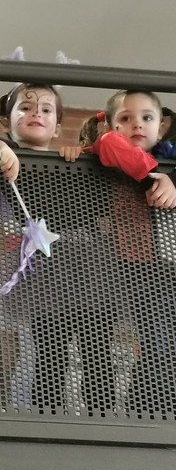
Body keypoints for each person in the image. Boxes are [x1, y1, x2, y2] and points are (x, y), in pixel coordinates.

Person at [0, 80, 118, 415]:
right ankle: (46, 418)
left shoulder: (74, 162)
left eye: (46, 110)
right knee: (49, 349)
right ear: (7, 122)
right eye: (25, 108)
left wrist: (77, 154)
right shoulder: (6, 156)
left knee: (97, 347)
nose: (35, 114)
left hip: (89, 267)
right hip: (46, 271)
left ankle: (105, 417)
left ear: (57, 128)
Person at [71, 90, 176, 417]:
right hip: (114, 265)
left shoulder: (170, 158)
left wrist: (171, 179)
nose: (137, 125)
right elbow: (112, 147)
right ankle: (116, 415)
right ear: (111, 125)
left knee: (161, 343)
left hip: (160, 267)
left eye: (147, 118)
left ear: (161, 127)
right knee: (102, 339)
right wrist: (154, 180)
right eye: (126, 118)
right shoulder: (108, 146)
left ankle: (148, 411)